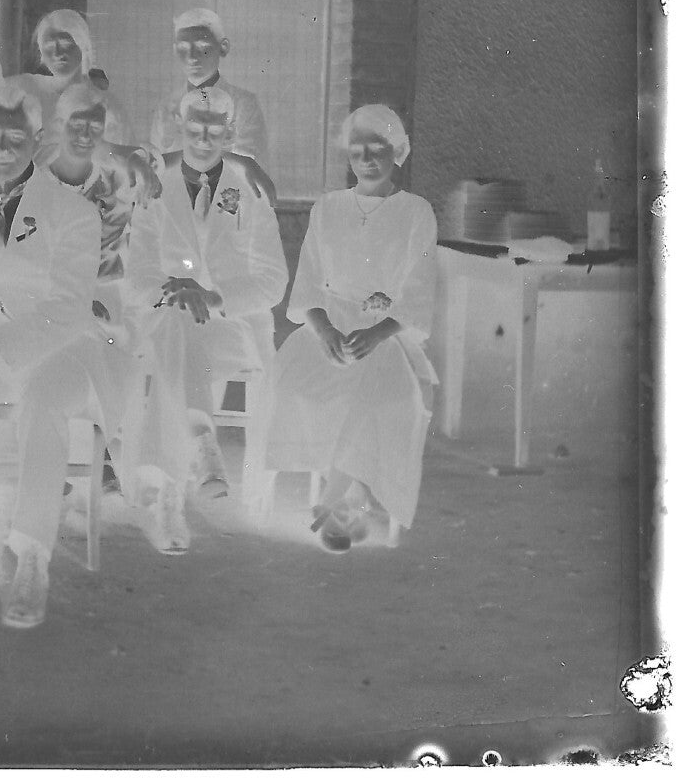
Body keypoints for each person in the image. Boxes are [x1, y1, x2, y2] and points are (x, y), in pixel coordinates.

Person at [0, 84, 103, 630]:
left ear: (36, 138)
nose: (2, 149)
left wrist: (1, 342)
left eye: (14, 137)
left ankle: (32, 556)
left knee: (47, 398)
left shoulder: (73, 211)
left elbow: (71, 307)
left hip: (58, 351)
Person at [261, 106, 438, 553]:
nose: (367, 157)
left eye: (378, 147)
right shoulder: (328, 207)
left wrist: (378, 332)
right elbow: (307, 285)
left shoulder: (416, 212)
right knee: (299, 382)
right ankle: (353, 495)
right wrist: (322, 331)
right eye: (357, 149)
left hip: (388, 332)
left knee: (378, 388)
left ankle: (337, 500)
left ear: (398, 151)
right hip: (328, 325)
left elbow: (418, 291)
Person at [125, 86, 288, 538]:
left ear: (230, 132)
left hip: (230, 327)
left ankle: (171, 493)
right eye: (194, 125)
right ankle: (200, 445)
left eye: (214, 128)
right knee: (176, 326)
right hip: (167, 316)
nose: (203, 136)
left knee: (176, 344)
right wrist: (176, 291)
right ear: (180, 125)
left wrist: (213, 298)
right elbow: (137, 274)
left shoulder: (250, 191)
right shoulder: (155, 187)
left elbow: (273, 280)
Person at [44, 80, 190, 548]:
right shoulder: (38, 178)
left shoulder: (124, 176)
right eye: (75, 123)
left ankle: (161, 491)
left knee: (157, 348)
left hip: (118, 293)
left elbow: (160, 233)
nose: (85, 134)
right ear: (58, 125)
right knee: (91, 357)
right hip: (62, 298)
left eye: (95, 125)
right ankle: (84, 473)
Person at [10, 9, 134, 163]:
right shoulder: (24, 89)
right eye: (49, 46)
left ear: (83, 45)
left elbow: (121, 153)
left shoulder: (107, 104)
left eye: (66, 43)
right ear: (41, 53)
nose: (57, 52)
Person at [152, 8, 268, 160]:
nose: (192, 56)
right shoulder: (166, 107)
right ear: (175, 50)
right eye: (183, 47)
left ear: (223, 47)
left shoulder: (244, 104)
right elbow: (158, 166)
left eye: (202, 47)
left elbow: (247, 164)